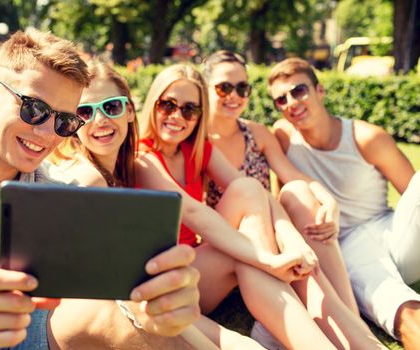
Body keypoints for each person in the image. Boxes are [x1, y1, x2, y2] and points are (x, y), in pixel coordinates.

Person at [0, 30, 201, 350]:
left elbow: (112, 294)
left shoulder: (61, 196)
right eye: (34, 108)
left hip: (18, 333)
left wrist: (164, 304)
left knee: (127, 323)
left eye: (64, 122)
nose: (45, 133)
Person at [135, 63, 385, 349]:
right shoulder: (142, 158)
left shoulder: (197, 149)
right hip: (167, 280)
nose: (178, 116)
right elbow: (193, 212)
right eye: (168, 105)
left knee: (248, 193)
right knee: (253, 255)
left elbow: (257, 192)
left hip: (197, 266)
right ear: (153, 104)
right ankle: (333, 336)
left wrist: (292, 242)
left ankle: (349, 337)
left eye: (189, 110)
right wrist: (269, 259)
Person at [49, 59, 264, 349]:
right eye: (85, 112)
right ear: (74, 122)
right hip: (94, 317)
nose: (99, 119)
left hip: (144, 303)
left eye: (110, 107)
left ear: (127, 110)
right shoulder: (88, 179)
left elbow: (192, 212)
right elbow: (123, 293)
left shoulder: (123, 171)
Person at [268, 57, 420, 349]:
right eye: (281, 99)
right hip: (344, 246)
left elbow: (411, 194)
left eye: (299, 91)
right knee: (394, 301)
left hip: (393, 233)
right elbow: (281, 198)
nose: (291, 103)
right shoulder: (284, 137)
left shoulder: (366, 137)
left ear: (319, 91)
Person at [202, 50, 357, 313]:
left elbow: (293, 175)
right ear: (204, 89)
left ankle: (347, 309)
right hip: (229, 246)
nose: (234, 96)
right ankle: (329, 314)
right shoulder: (197, 140)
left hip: (272, 233)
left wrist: (329, 200)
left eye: (242, 88)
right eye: (224, 87)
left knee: (298, 191)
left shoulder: (257, 133)